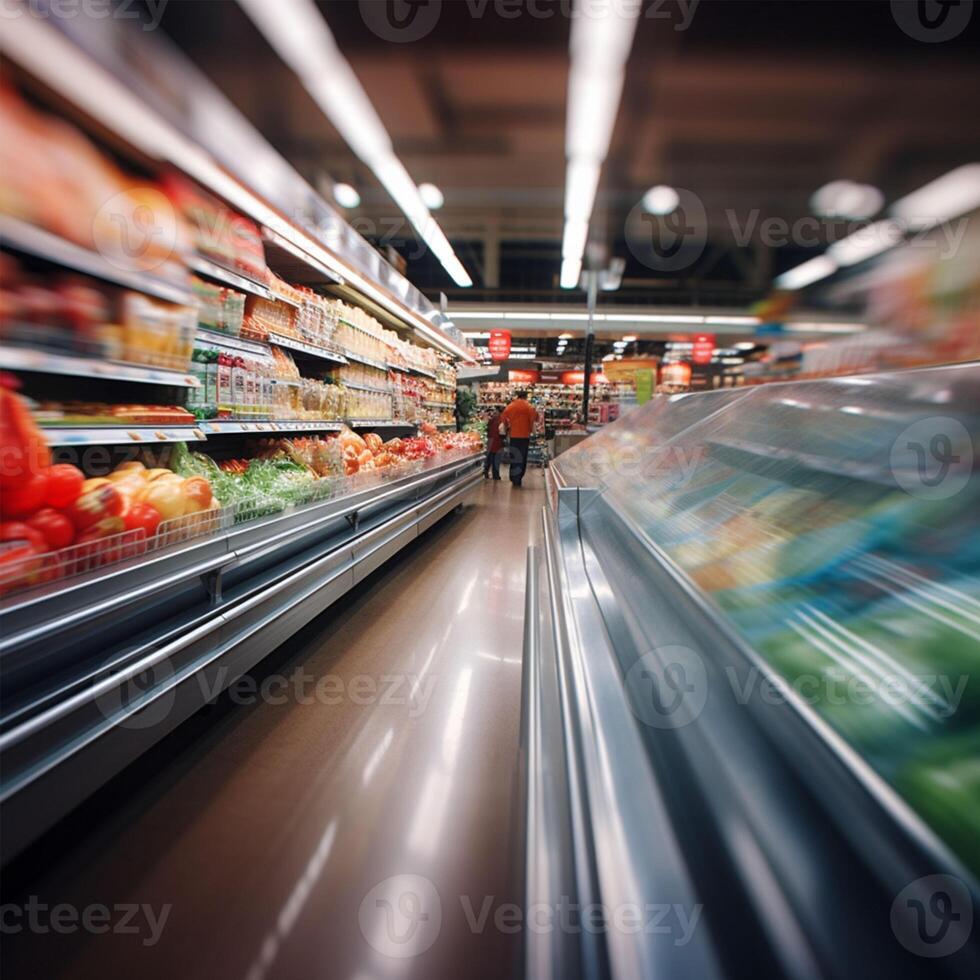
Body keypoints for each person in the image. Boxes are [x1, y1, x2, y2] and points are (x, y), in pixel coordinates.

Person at [501, 389, 537, 487]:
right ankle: (518, 477)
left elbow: (504, 419)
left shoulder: (510, 406)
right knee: (522, 457)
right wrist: (534, 433)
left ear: (517, 396)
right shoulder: (529, 407)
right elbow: (533, 422)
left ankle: (513, 477)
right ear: (525, 397)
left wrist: (506, 429)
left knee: (514, 456)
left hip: (513, 436)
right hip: (525, 436)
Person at [484, 405, 504, 480]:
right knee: (496, 458)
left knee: (489, 458)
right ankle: (495, 475)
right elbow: (503, 431)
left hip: (491, 440)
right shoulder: (501, 419)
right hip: (498, 440)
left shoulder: (493, 419)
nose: (494, 412)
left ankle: (486, 472)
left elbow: (487, 427)